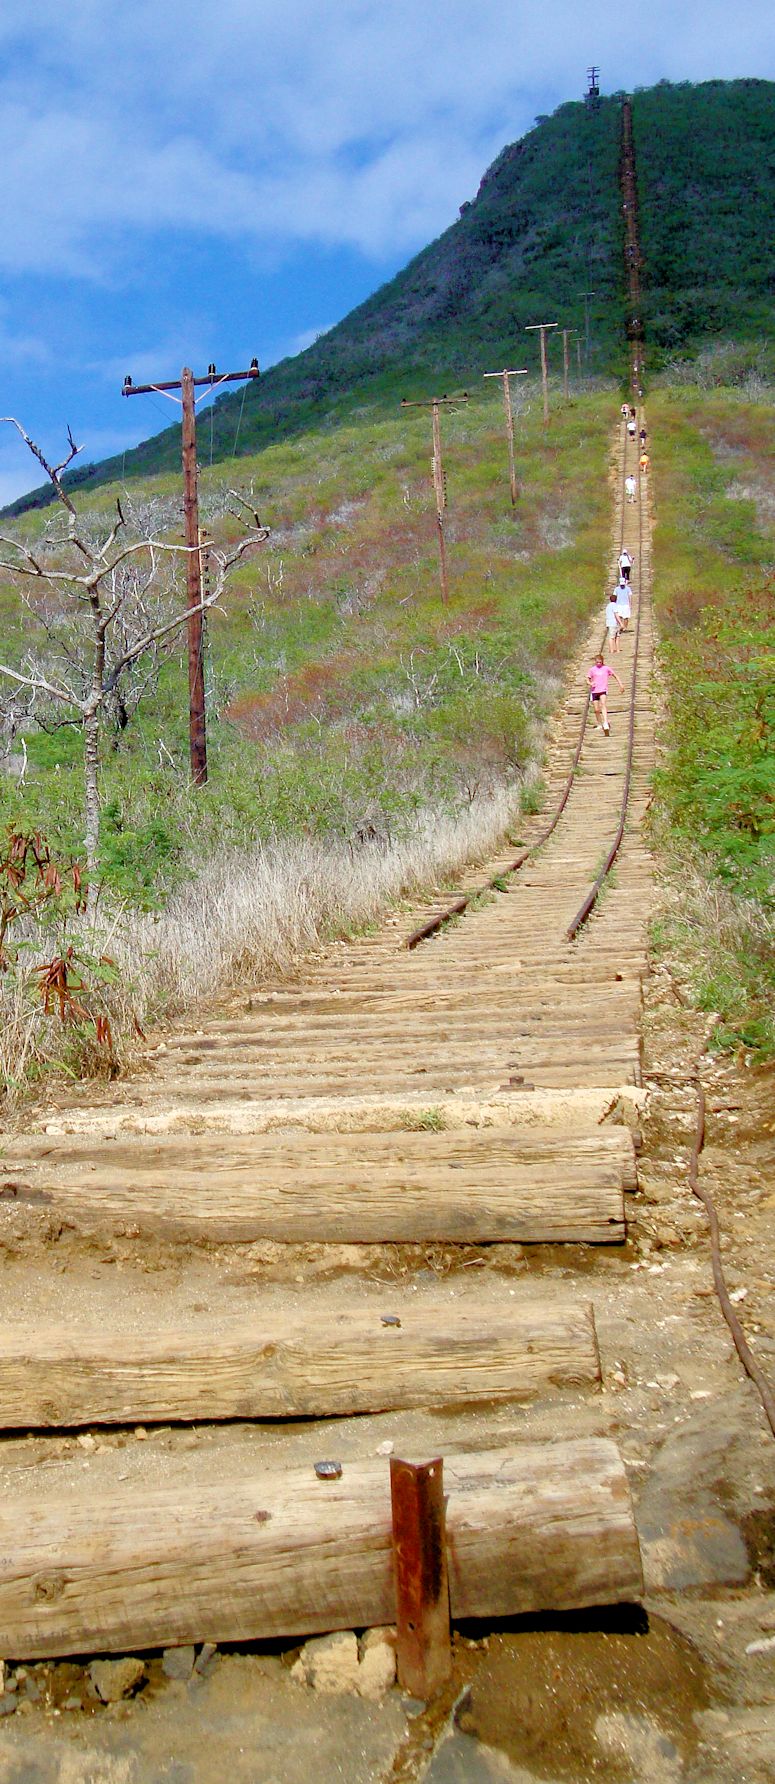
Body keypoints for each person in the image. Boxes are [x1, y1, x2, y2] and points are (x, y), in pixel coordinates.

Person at [587, 655, 624, 736]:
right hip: (594, 691)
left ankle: (605, 722)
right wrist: (590, 683)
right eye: (597, 662)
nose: (598, 663)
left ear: (602, 661)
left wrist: (621, 685)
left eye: (600, 662)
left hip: (603, 690)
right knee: (596, 709)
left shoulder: (606, 668)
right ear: (595, 662)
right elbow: (588, 678)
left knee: (603, 704)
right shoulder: (592, 670)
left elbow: (615, 675)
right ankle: (599, 724)